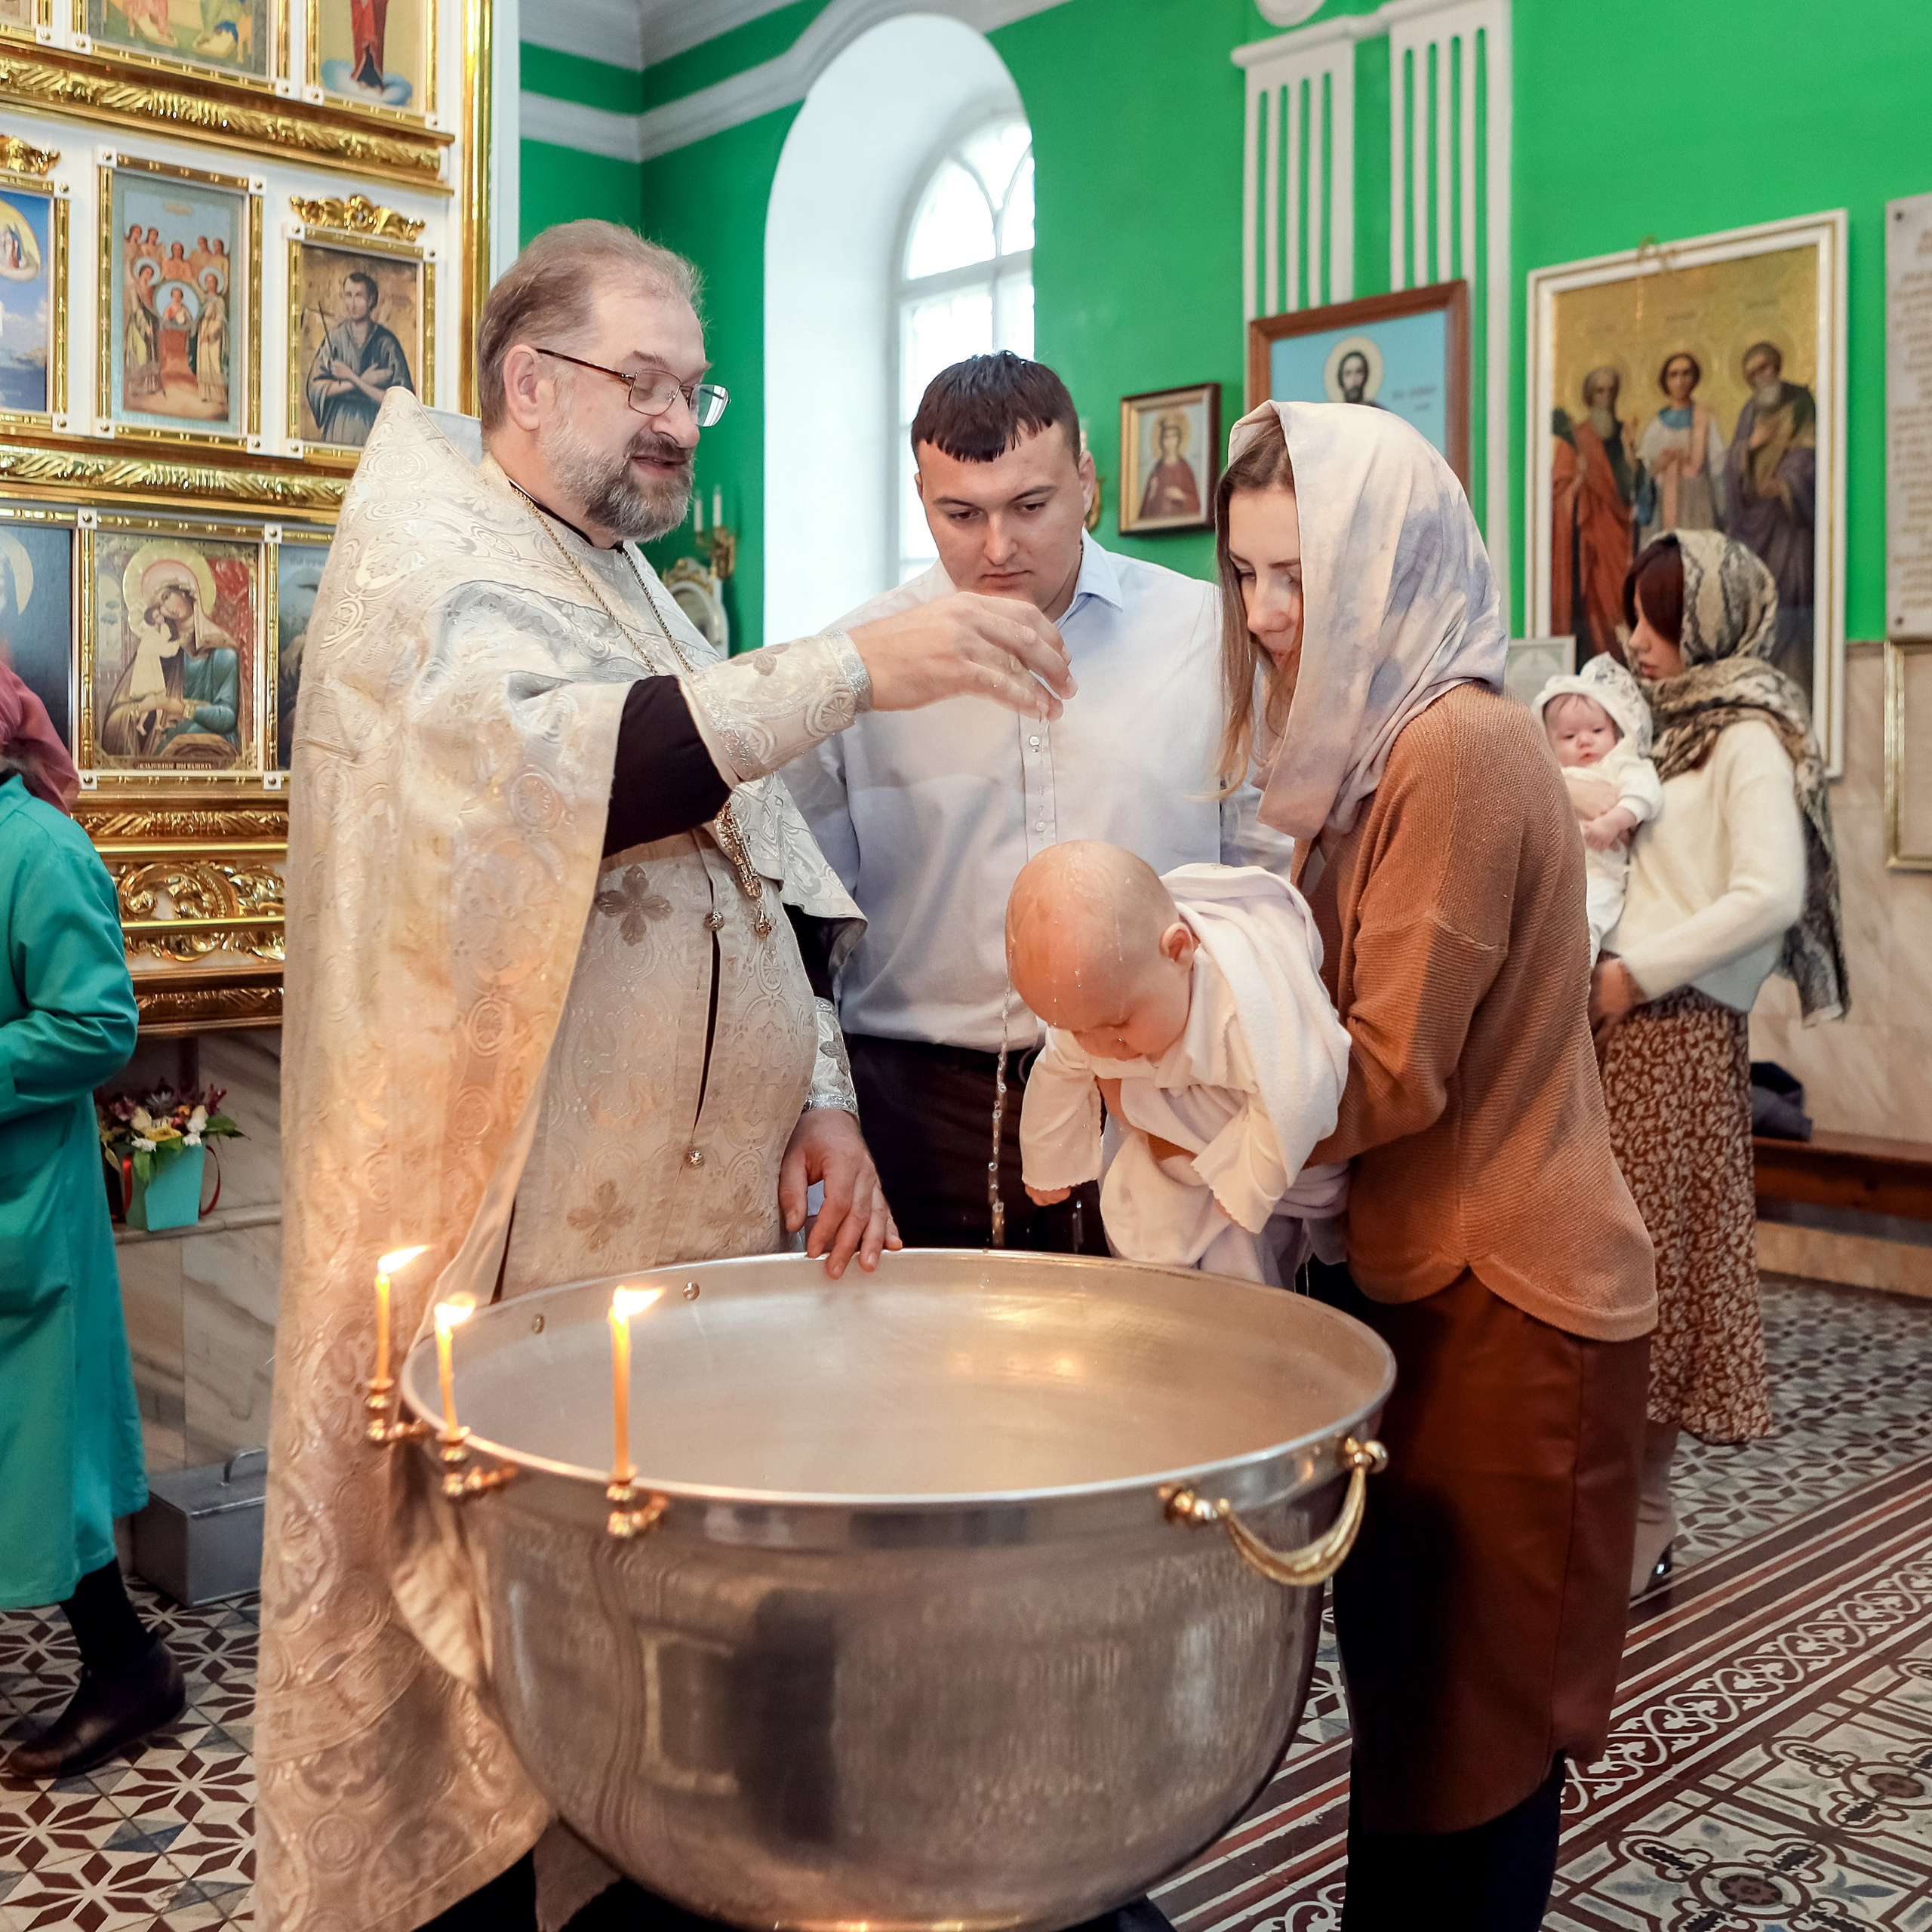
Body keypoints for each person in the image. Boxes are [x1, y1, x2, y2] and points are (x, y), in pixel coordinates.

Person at [255, 219, 1080, 1932]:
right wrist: (860, 663)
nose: (679, 420)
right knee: (471, 1712)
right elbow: (566, 782)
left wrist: (828, 1102)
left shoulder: (620, 575)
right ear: (526, 377)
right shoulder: (426, 563)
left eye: (689, 388)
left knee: (633, 1724)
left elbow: (755, 871)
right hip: (501, 1243)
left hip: (672, 1236)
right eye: (643, 381)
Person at [1215, 398, 1656, 1929]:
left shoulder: (1456, 745)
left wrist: (1200, 1104)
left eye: (1294, 578)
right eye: (1245, 578)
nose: (1265, 617)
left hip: (1508, 1294)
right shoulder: (1381, 741)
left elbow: (1389, 1065)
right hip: (1425, 1280)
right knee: (1410, 1716)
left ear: (1388, 564)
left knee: (1472, 1740)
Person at [786, 352, 1290, 1255]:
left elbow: (1266, 880)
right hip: (917, 1104)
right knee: (927, 1384)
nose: (997, 548)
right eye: (960, 513)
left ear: (1087, 480)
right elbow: (805, 924)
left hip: (1161, 1092)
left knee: (1150, 1375)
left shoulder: (1208, 637)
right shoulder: (855, 664)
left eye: (1030, 506)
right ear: (920, 496)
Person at [1591, 530, 1845, 1593]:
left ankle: (1646, 1515)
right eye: (1639, 617)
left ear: (1709, 619)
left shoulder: (1746, 733)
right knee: (1609, 1271)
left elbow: (1770, 896)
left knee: (1656, 1280)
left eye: (1658, 620)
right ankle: (1611, 1508)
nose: (1639, 640)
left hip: (1677, 1031)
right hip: (1620, 1028)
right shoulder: (1673, 725)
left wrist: (1634, 975)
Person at [0, 663, 185, 1780]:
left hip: (22, 1202)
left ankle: (127, 1670)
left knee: (43, 1448)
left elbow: (93, 1024)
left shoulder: (39, 850)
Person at [1009, 841, 1349, 1282]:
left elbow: (1301, 1092)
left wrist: (1246, 1184)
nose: (1101, 1047)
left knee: (1240, 1257)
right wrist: (1049, 1164)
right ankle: (1162, 1303)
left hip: (1276, 1141)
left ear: (1179, 951)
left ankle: (1242, 1324)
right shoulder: (1095, 1003)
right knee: (1148, 1220)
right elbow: (1059, 1070)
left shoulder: (1239, 1011)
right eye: (1076, 1029)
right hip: (1171, 1141)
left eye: (1119, 1024)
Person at [1532, 651, 1663, 961]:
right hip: (1555, 871)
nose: (1585, 742)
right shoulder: (1554, 773)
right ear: (1550, 744)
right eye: (1569, 735)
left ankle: (1577, 986)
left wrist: (1614, 821)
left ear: (1616, 732)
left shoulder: (1620, 763)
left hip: (1602, 873)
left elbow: (1646, 794)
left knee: (1586, 921)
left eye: (1596, 731)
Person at [1723, 342, 1817, 700]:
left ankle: (1798, 690)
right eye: (1752, 373)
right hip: (1755, 528)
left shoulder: (1800, 403)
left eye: (1765, 368)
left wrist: (1786, 483)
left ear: (1777, 365)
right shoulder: (1750, 411)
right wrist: (1747, 450)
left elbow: (1812, 454)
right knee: (1761, 607)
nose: (1761, 377)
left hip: (1791, 529)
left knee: (1793, 600)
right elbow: (1733, 466)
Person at [1552, 365, 1642, 657]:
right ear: (1589, 396)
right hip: (1587, 535)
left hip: (1620, 536)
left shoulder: (1625, 435)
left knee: (1620, 601)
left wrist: (1633, 458)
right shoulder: (1575, 439)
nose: (1607, 398)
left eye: (1612, 391)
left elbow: (1635, 493)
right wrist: (1578, 481)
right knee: (1593, 603)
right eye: (1600, 391)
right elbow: (1559, 489)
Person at [304, 266, 413, 448]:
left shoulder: (387, 343)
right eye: (348, 295)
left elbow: (404, 401)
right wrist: (360, 380)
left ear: (371, 300)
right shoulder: (335, 338)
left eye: (359, 296)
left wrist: (350, 377)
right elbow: (315, 387)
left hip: (376, 428)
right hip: (340, 426)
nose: (352, 304)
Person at [1636, 351, 1727, 546]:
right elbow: (1645, 473)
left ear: (1695, 378)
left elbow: (1718, 469)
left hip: (1697, 504)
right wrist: (1657, 467)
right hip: (1664, 506)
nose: (1680, 381)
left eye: (1686, 373)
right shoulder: (1656, 425)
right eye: (1674, 375)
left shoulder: (1706, 419)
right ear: (1665, 381)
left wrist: (1724, 509)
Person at [1138, 411, 1201, 519]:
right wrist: (1152, 495)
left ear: (1179, 439)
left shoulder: (1185, 468)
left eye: (1173, 437)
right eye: (1166, 437)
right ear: (1161, 440)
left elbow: (1196, 504)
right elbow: (1146, 509)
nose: (1170, 441)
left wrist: (1181, 497)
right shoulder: (1156, 471)